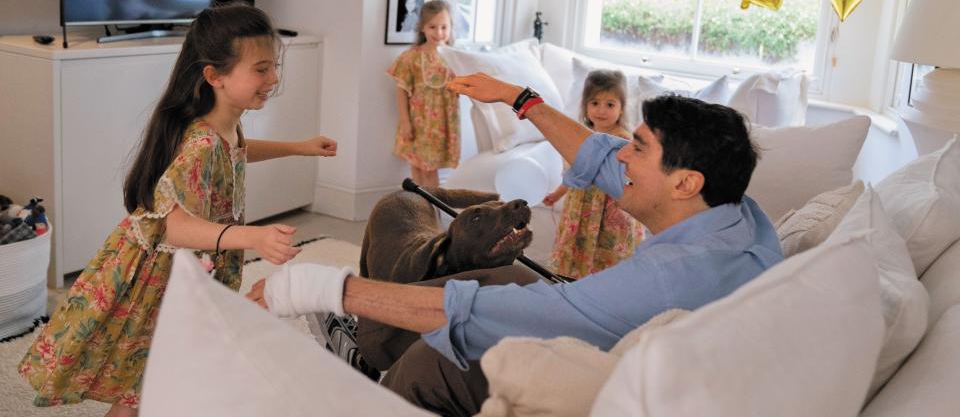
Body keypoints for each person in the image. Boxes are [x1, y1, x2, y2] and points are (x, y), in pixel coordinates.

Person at [247, 73, 783, 416]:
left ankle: (382, 383)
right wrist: (518, 98)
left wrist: (320, 287)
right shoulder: (736, 216)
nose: (620, 156)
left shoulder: (669, 276)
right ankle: (371, 351)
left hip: (608, 370)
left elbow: (506, 312)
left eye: (636, 148)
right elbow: (597, 155)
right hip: (637, 337)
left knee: (443, 350)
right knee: (492, 276)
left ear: (685, 181)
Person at [19, 2, 339, 416]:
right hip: (162, 277)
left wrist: (299, 147)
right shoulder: (201, 143)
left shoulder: (224, 123)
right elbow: (174, 227)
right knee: (144, 381)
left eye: (274, 66)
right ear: (215, 76)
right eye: (261, 69)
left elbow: (237, 152)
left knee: (159, 376)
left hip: (188, 268)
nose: (274, 78)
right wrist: (253, 236)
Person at [543, 69, 644, 279]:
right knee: (580, 247)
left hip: (609, 206)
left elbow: (634, 177)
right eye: (595, 103)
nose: (601, 110)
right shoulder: (580, 137)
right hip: (582, 205)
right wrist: (557, 194)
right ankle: (575, 280)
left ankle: (607, 283)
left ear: (622, 108)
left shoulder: (624, 140)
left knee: (607, 250)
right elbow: (576, 172)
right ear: (585, 106)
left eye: (610, 104)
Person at [387, 0, 459, 190]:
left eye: (444, 27)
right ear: (422, 28)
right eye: (432, 27)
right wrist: (405, 122)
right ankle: (419, 209)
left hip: (440, 125)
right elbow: (401, 91)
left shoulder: (455, 57)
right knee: (417, 167)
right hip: (417, 123)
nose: (439, 33)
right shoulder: (412, 57)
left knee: (430, 170)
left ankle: (432, 210)